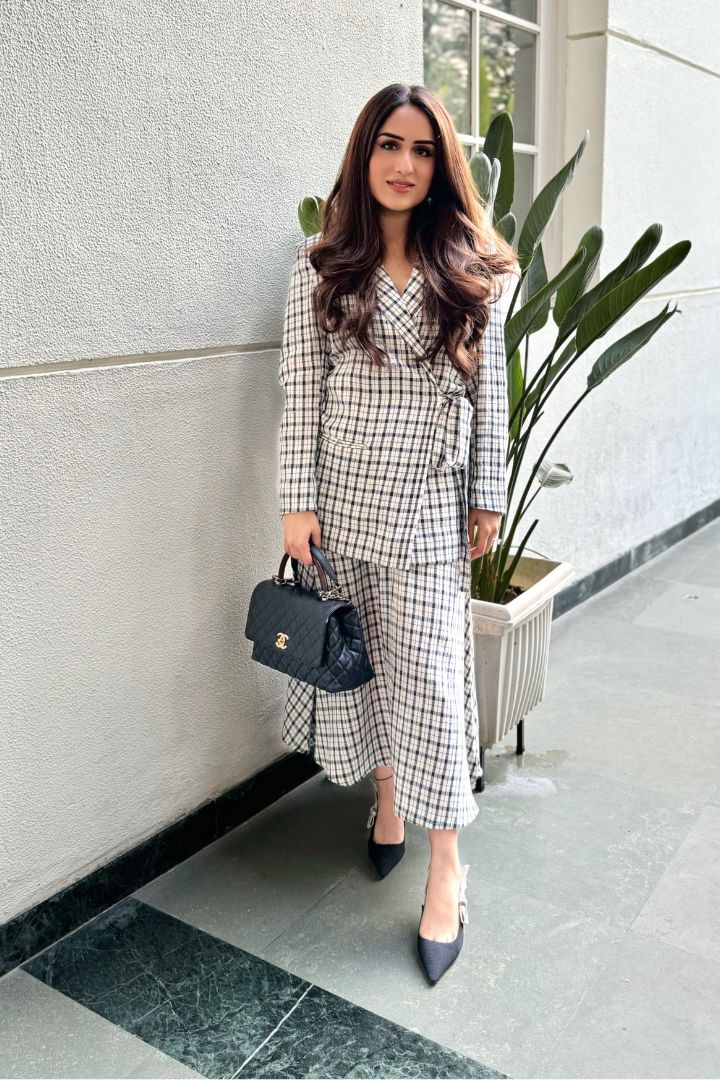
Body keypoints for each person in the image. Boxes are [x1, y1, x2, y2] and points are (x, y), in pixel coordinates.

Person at [276, 83, 518, 982]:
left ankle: (446, 865)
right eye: (389, 144)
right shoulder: (318, 268)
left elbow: (491, 396)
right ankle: (386, 799)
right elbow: (301, 393)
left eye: (421, 149)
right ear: (363, 153)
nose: (404, 164)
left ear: (440, 165)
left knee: (432, 684)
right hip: (339, 512)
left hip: (425, 512)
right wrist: (296, 504)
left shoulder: (474, 272)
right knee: (359, 668)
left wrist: (485, 496)